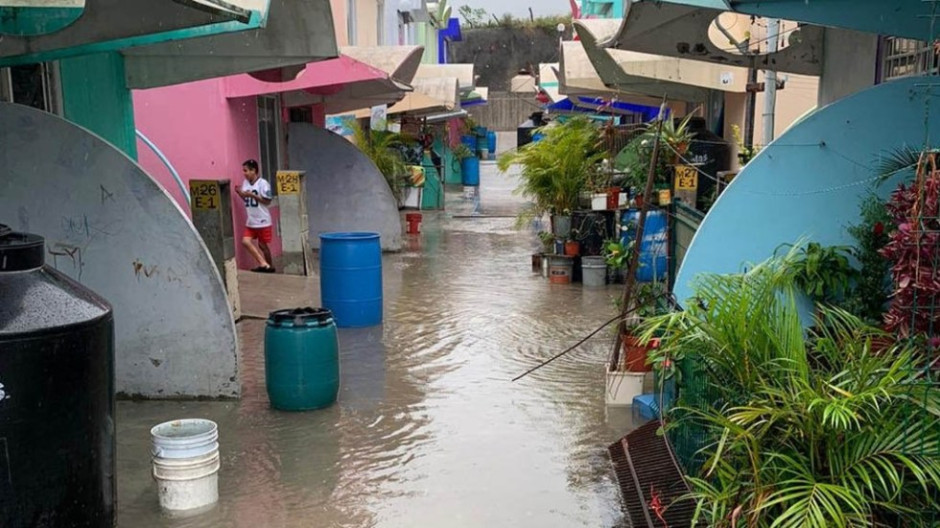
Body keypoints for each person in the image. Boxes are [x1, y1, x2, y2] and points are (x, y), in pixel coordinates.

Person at [236, 159, 275, 273]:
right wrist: (240, 194)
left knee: (263, 245)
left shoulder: (263, 184)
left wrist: (253, 196)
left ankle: (269, 266)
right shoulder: (245, 183)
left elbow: (267, 201)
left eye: (246, 170)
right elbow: (246, 199)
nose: (244, 173)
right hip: (251, 220)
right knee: (245, 241)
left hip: (263, 220)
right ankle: (263, 264)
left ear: (254, 171)